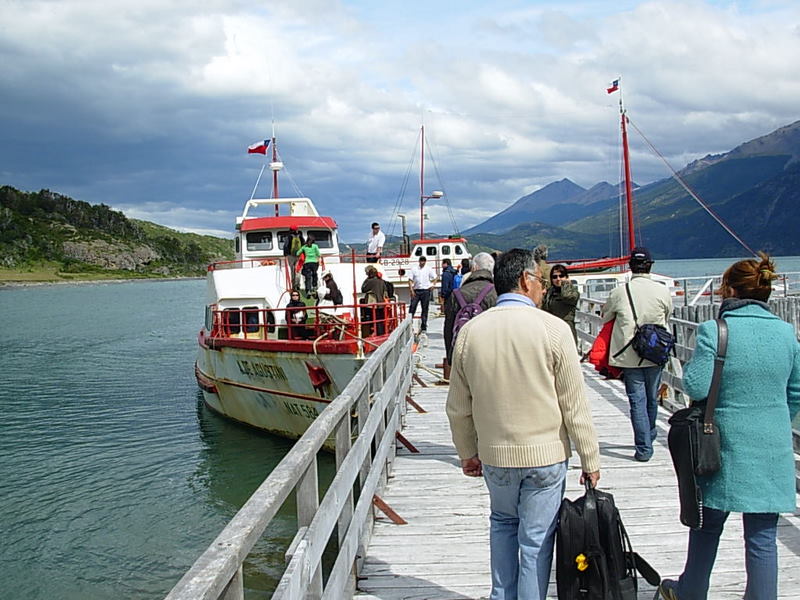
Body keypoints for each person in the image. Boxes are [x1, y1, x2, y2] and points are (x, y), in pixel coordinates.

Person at [446, 248, 601, 600]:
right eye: (541, 281)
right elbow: (574, 406)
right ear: (524, 280)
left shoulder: (470, 333)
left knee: (502, 525)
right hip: (546, 456)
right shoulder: (554, 330)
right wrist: (590, 459)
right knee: (536, 542)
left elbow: (457, 407)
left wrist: (467, 452)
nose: (544, 288)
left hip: (496, 455)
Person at [659, 253, 800, 600]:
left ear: (731, 291)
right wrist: (774, 420)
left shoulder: (715, 330)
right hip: (772, 447)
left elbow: (696, 386)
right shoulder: (786, 333)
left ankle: (690, 592)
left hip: (721, 446)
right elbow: (796, 392)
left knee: (707, 527)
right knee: (762, 537)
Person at [602, 247, 673, 462]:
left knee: (637, 401)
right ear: (650, 266)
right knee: (652, 398)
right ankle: (649, 433)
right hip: (655, 351)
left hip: (629, 353)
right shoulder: (662, 291)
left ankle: (644, 448)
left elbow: (606, 317)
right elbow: (668, 315)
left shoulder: (619, 292)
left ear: (631, 266)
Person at [443, 252, 497, 368]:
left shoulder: (456, 294)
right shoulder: (496, 293)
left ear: (474, 268)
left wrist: (450, 358)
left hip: (462, 356)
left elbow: (449, 328)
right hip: (490, 357)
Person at [541, 263, 580, 349]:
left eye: (561, 276)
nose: (558, 279)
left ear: (566, 277)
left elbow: (567, 297)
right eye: (554, 277)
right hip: (551, 329)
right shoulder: (549, 292)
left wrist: (565, 284)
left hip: (566, 329)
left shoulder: (573, 292)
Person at [408, 256, 437, 332]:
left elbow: (435, 277)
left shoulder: (428, 269)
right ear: (419, 261)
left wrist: (433, 285)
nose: (422, 262)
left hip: (425, 291)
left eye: (424, 261)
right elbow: (410, 279)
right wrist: (411, 290)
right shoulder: (414, 269)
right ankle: (409, 324)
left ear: (425, 261)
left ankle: (424, 326)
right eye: (421, 261)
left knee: (425, 308)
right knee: (412, 307)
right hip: (416, 291)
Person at [362, 265, 388, 335]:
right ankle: (381, 333)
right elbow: (385, 291)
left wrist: (367, 279)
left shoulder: (370, 281)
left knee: (374, 319)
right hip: (381, 304)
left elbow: (363, 289)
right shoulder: (381, 281)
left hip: (374, 304)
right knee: (380, 320)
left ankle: (375, 332)